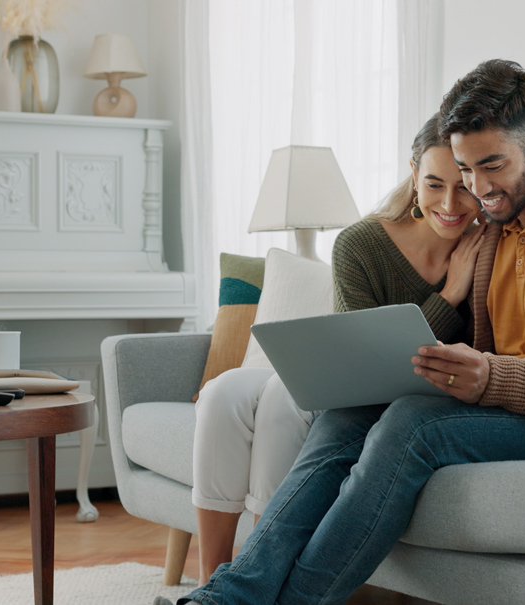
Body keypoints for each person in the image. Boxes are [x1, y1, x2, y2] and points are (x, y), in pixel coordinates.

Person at [175, 59, 525, 605]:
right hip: (503, 406)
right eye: (465, 170)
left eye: (492, 166)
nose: (478, 189)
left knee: (414, 423)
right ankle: (223, 598)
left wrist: (490, 376)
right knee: (351, 413)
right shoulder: (496, 220)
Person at [187, 114, 485, 585]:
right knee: (223, 393)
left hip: (387, 398)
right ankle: (213, 579)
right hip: (346, 380)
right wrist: (448, 297)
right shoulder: (362, 243)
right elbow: (360, 363)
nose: (450, 203)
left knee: (284, 403)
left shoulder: (487, 248)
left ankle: (259, 578)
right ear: (413, 176)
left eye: (463, 186)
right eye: (433, 184)